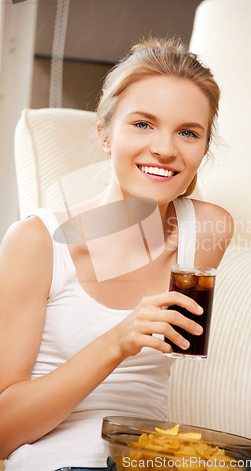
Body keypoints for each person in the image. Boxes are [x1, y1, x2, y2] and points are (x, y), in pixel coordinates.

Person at [0, 38, 234, 471]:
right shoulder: (37, 242)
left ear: (203, 150)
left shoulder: (207, 231)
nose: (166, 148)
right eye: (143, 124)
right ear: (105, 135)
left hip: (149, 462)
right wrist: (117, 341)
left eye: (188, 132)